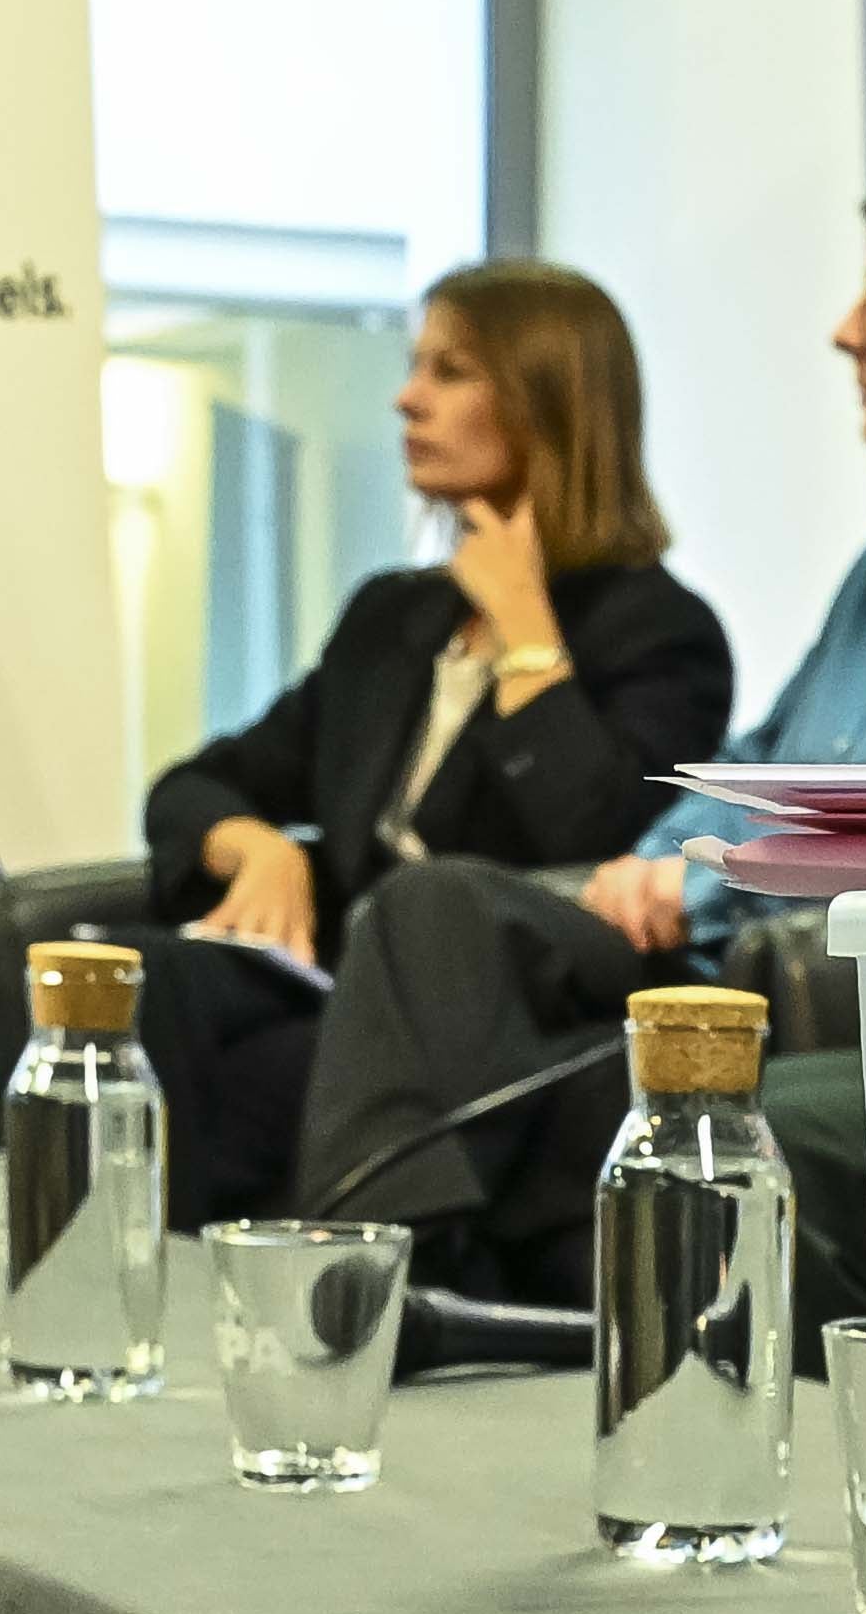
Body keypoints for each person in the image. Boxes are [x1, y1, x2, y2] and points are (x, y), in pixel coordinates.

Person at [287, 149, 866, 1283]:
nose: (848, 332)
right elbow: (757, 760)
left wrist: (692, 877)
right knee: (430, 912)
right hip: (702, 940)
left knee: (483, 1053)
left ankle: (377, 1301)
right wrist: (652, 860)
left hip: (823, 976)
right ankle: (397, 1284)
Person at [140, 261, 735, 1228]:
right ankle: (128, 1282)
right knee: (146, 975)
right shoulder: (395, 618)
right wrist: (251, 843)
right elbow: (197, 783)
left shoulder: (659, 633)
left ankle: (364, 1298)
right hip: (345, 981)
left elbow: (591, 828)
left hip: (502, 1009)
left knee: (284, 1067)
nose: (406, 398)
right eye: (417, 367)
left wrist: (528, 636)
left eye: (449, 372)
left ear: (549, 400)